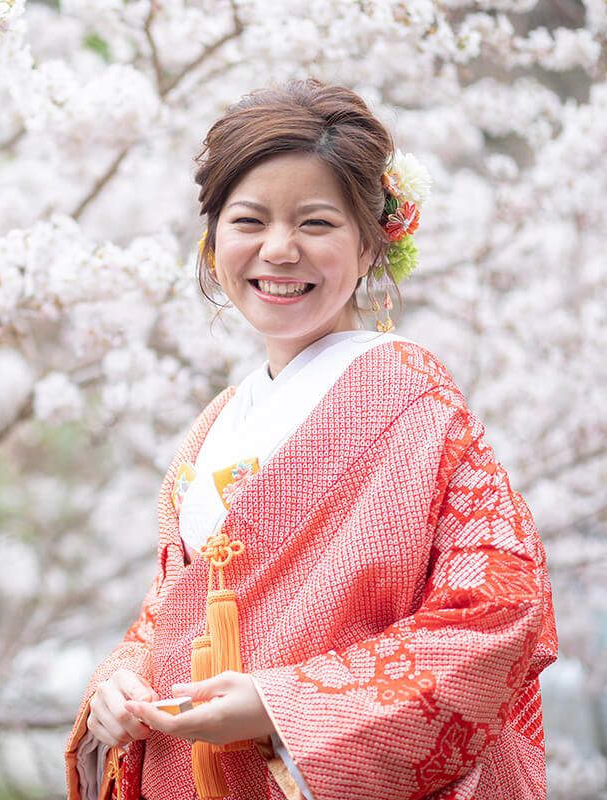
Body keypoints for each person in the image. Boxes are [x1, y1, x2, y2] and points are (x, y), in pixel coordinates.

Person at [64, 80, 557, 800]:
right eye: (248, 220)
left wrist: (281, 705)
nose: (279, 249)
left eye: (316, 223)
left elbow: (500, 607)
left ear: (371, 245)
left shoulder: (415, 403)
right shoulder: (217, 422)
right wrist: (118, 685)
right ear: (212, 241)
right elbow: (170, 611)